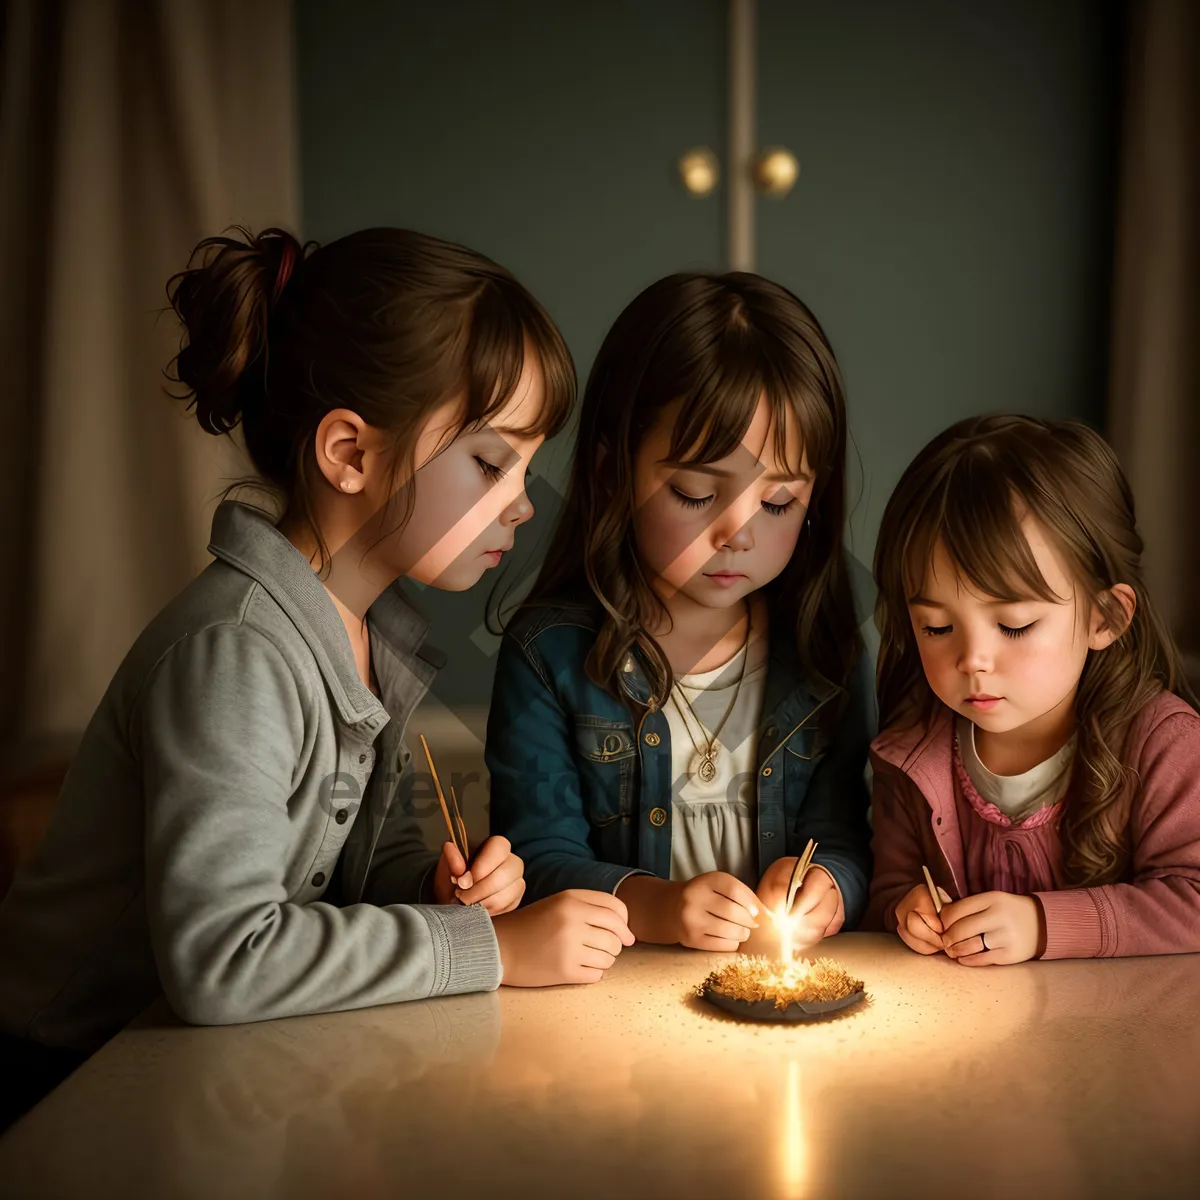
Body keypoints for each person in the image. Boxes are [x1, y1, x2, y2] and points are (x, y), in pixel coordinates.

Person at [0, 226, 633, 1129]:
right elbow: (226, 958)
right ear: (350, 453)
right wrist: (485, 946)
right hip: (67, 1084)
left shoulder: (370, 635)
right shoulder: (239, 653)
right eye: (493, 463)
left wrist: (435, 888)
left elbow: (354, 869)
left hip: (197, 1062)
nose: (526, 504)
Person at [487, 271, 874, 953]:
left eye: (779, 501)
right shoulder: (547, 656)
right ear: (612, 475)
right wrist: (654, 908)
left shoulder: (825, 653)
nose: (739, 532)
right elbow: (534, 858)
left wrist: (829, 884)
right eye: (696, 493)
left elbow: (847, 833)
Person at [866, 415, 1200, 962]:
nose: (972, 660)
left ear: (1105, 617)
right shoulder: (911, 753)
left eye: (1014, 625)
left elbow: (1193, 897)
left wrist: (1045, 925)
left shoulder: (1164, 746)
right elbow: (890, 888)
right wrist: (907, 910)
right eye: (937, 627)